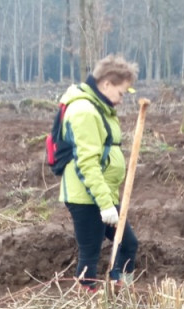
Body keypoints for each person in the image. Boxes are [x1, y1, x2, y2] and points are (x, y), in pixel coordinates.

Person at [57, 54, 138, 291]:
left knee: (128, 244)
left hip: (103, 192)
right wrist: (104, 204)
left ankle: (120, 290)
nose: (121, 99)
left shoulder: (99, 109)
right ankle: (87, 303)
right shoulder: (84, 111)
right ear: (106, 84)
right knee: (90, 253)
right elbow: (87, 163)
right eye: (121, 93)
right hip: (86, 196)